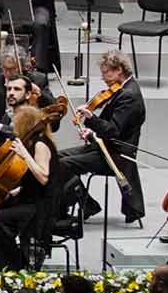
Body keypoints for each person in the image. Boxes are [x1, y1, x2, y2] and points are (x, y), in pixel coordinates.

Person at [59, 50, 147, 224]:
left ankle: (87, 204)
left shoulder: (129, 96)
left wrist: (91, 119)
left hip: (114, 156)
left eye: (107, 73)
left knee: (62, 165)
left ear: (119, 70)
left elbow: (113, 131)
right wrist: (91, 134)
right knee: (56, 158)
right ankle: (86, 204)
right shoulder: (123, 89)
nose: (103, 77)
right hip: (103, 147)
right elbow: (110, 129)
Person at [0, 104, 57, 270]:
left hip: (41, 206)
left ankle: (12, 265)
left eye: (16, 124)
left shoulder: (40, 144)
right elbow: (30, 180)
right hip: (29, 198)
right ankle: (7, 261)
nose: (13, 128)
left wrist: (25, 155)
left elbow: (44, 177)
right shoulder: (29, 142)